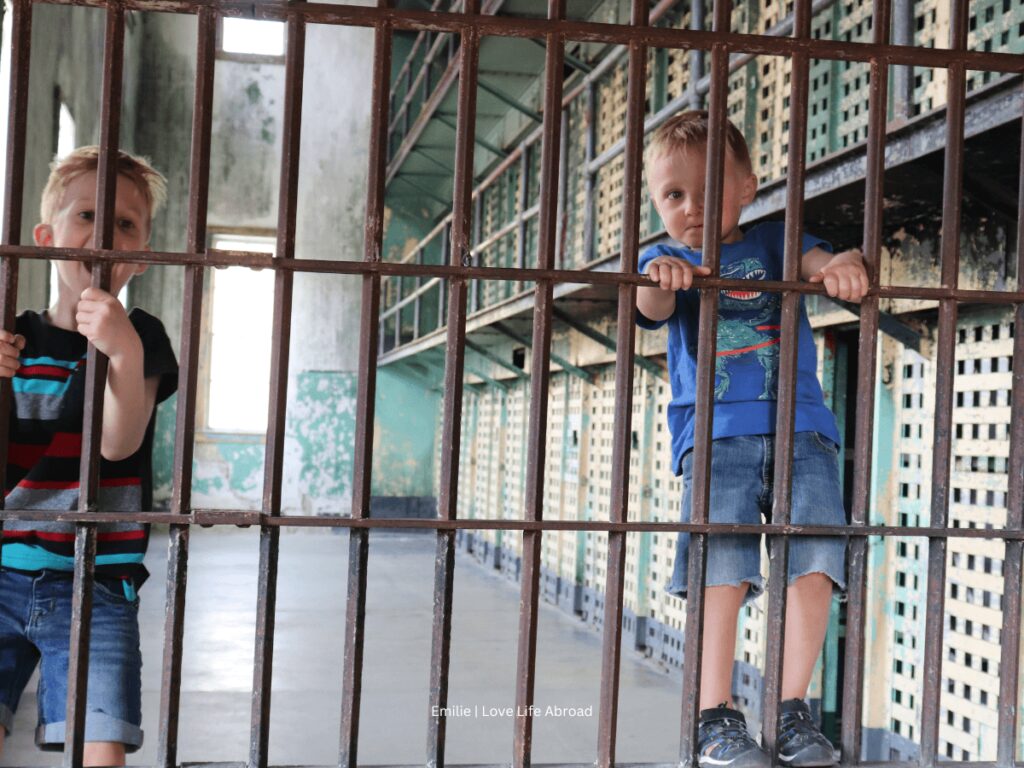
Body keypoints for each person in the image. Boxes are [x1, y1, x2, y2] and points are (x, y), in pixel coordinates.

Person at [636, 111, 868, 768]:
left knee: (817, 557)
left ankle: (790, 711)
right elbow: (648, 309)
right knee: (722, 568)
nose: (690, 208)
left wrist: (843, 267)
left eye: (708, 190)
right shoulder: (665, 258)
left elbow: (821, 263)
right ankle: (715, 715)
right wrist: (661, 282)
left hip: (803, 431)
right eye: (673, 196)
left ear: (747, 188)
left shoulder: (775, 242)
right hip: (716, 440)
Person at [0, 146, 178, 763]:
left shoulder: (145, 338)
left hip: (96, 580)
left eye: (125, 223)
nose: (104, 234)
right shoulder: (12, 336)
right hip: (1, 569)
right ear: (47, 238)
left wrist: (121, 353)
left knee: (101, 751)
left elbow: (118, 442)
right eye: (86, 216)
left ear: (141, 256)